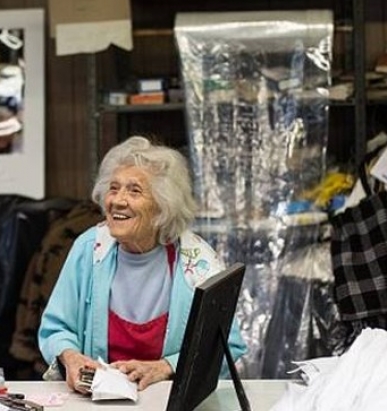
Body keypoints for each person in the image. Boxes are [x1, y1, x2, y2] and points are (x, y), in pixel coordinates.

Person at [38, 136, 247, 393]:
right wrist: (71, 357)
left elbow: (228, 344)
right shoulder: (89, 248)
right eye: (113, 188)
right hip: (95, 406)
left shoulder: (198, 262)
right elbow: (56, 328)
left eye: (134, 190)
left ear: (162, 207)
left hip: (167, 405)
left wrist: (166, 366)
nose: (118, 200)